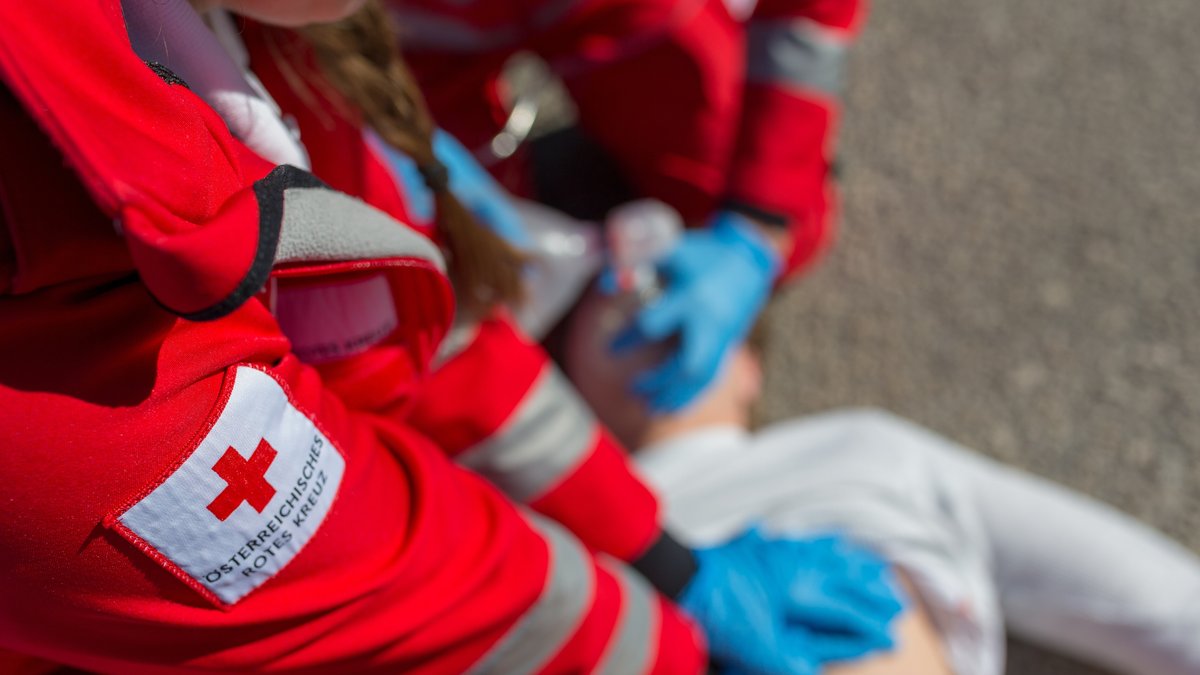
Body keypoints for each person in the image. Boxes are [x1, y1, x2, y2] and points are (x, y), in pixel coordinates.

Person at [0, 0, 901, 672]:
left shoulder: (242, 34)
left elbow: (398, 333)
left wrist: (758, 221)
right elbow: (406, 585)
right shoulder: (68, 335)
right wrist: (677, 644)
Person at [559, 284, 1200, 675]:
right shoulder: (524, 515)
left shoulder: (858, 447)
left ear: (752, 366)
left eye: (675, 279)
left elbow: (1155, 603)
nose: (651, 295)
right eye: (613, 291)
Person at [387, 0, 866, 412]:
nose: (633, 281)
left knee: (793, 221)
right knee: (447, 270)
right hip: (407, 37)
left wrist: (757, 225)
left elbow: (808, 21)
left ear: (749, 377)